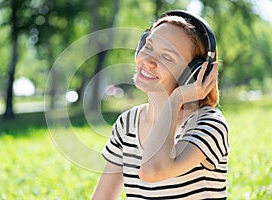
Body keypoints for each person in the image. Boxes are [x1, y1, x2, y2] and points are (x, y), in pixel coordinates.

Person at [91, 10, 230, 199]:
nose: (147, 60)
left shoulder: (208, 123)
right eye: (148, 47)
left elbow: (153, 170)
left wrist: (175, 100)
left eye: (167, 57)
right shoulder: (127, 123)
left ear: (193, 73)